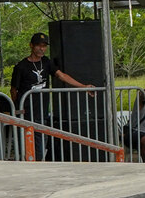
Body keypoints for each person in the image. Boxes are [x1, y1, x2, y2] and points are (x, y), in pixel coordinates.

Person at [9, 32, 92, 161]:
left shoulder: (46, 62)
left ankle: (37, 163)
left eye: (44, 46)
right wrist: (17, 108)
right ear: (31, 46)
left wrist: (83, 86)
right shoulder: (21, 67)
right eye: (38, 46)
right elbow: (13, 89)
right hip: (27, 111)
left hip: (42, 111)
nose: (42, 49)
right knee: (31, 142)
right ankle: (31, 165)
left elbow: (61, 75)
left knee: (42, 141)